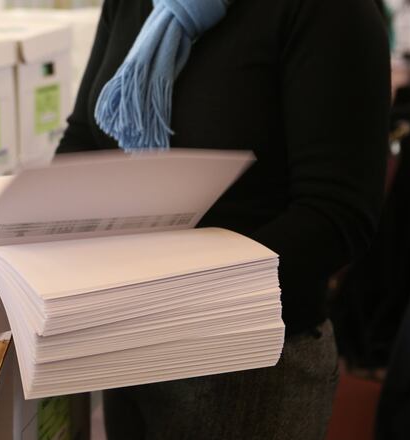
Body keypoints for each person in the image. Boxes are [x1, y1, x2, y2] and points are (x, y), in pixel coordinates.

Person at [57, 0, 390, 438]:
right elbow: (86, 134)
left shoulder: (329, 12)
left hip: (247, 363)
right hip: (130, 338)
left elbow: (336, 215)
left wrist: (167, 289)